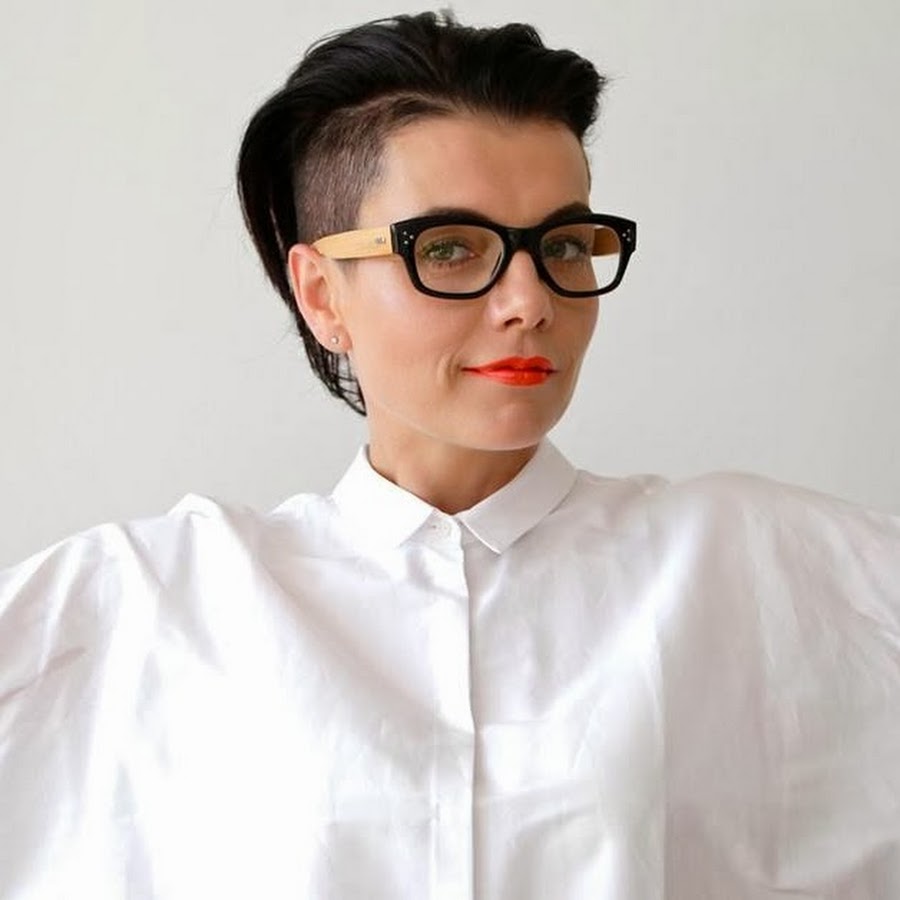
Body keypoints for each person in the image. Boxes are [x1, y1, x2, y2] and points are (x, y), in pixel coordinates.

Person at [1, 11, 898, 899]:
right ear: (322, 294)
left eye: (563, 246)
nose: (529, 300)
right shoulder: (151, 602)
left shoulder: (758, 565)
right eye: (451, 248)